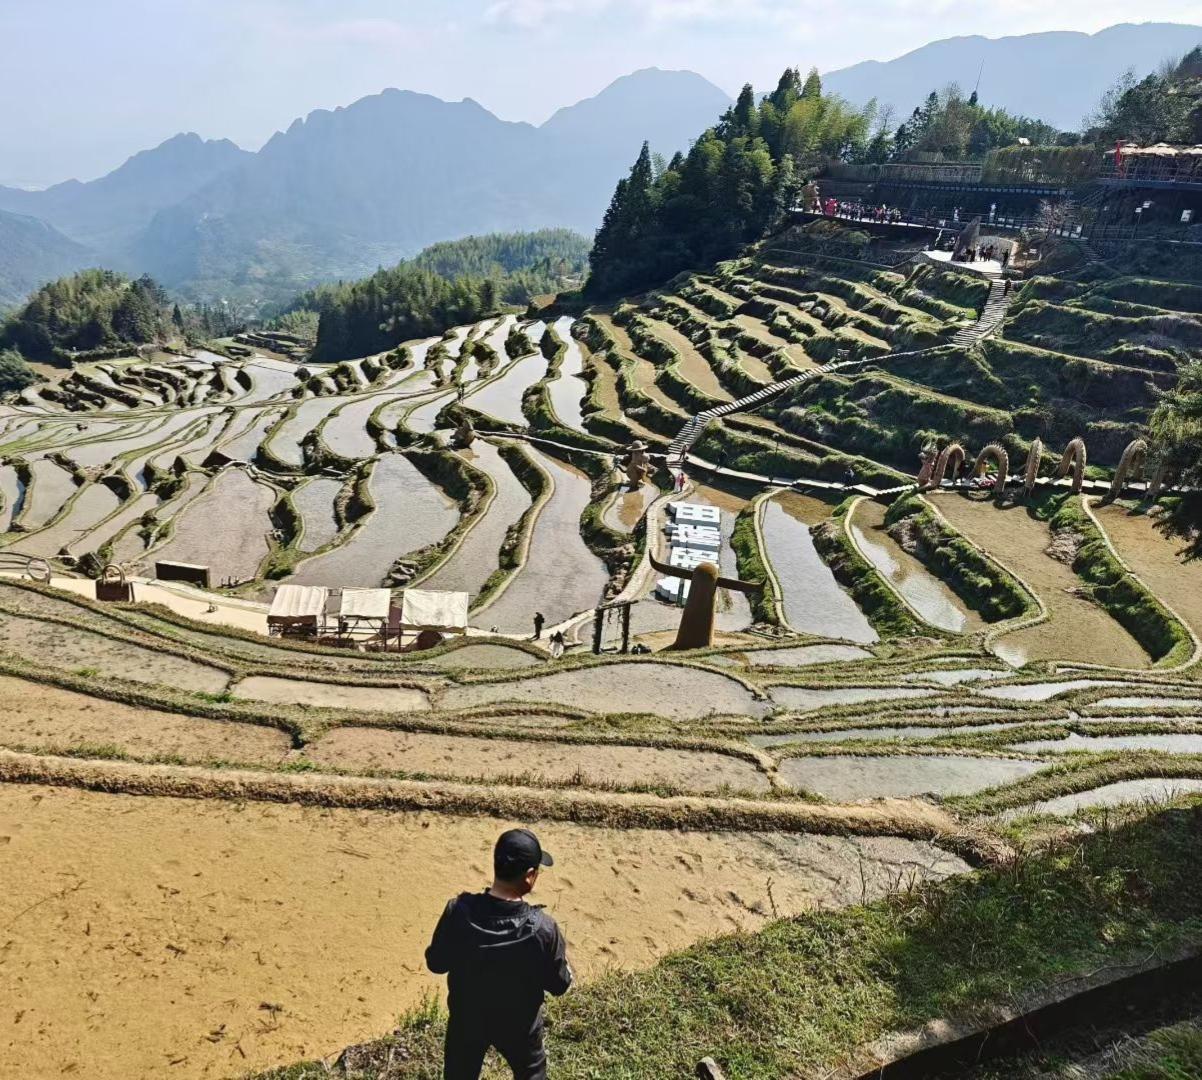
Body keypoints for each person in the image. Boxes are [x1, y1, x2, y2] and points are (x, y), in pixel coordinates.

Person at [426, 829, 573, 1080]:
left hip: (466, 1021)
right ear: (529, 876)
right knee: (532, 1073)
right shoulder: (544, 929)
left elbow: (436, 963)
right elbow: (560, 985)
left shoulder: (458, 911)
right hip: (520, 1027)